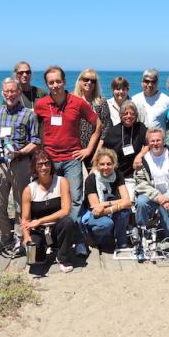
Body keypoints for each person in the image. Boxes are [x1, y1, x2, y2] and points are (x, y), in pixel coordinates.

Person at [35, 66, 100, 256]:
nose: (55, 85)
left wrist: (88, 149)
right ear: (47, 84)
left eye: (58, 81)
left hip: (72, 159)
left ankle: (78, 240)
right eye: (51, 82)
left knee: (76, 200)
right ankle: (54, 240)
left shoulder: (78, 103)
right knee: (49, 200)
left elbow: (97, 125)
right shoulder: (41, 104)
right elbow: (31, 127)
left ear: (64, 81)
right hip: (49, 161)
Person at [0, 77, 41, 252]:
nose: (10, 94)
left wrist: (21, 152)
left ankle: (20, 238)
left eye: (13, 91)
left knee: (21, 204)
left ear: (19, 92)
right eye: (6, 91)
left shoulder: (29, 114)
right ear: (3, 93)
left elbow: (35, 141)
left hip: (20, 163)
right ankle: (4, 237)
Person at [21, 150, 75, 272]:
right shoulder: (29, 190)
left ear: (51, 165)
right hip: (39, 231)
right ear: (35, 167)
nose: (44, 167)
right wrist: (26, 237)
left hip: (56, 227)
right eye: (40, 164)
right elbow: (25, 220)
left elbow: (66, 210)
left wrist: (39, 221)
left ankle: (62, 257)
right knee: (36, 261)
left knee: (68, 222)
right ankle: (43, 250)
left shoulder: (62, 181)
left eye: (47, 163)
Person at [135, 128, 169, 238]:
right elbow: (141, 183)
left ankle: (159, 220)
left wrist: (167, 197)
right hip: (152, 197)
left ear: (164, 141)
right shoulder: (143, 160)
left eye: (158, 140)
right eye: (152, 141)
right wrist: (160, 198)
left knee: (168, 234)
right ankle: (143, 230)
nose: (155, 143)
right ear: (148, 143)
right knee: (141, 202)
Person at [79, 148, 132, 249]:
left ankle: (122, 241)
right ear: (97, 165)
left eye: (109, 164)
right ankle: (95, 238)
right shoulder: (91, 179)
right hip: (95, 216)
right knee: (106, 224)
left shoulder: (118, 175)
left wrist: (106, 204)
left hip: (107, 211)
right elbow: (96, 209)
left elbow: (127, 201)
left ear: (114, 164)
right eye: (102, 164)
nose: (105, 167)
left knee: (125, 211)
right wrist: (117, 205)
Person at [99, 100, 148, 202]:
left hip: (135, 172)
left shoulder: (140, 128)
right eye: (125, 113)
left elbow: (149, 144)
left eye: (132, 113)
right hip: (117, 173)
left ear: (136, 115)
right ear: (120, 115)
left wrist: (140, 155)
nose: (129, 116)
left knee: (131, 201)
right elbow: (104, 153)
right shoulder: (113, 132)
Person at [73, 69, 112, 171]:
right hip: (75, 149)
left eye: (93, 81)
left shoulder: (100, 101)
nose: (89, 82)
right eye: (86, 79)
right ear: (80, 81)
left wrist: (97, 151)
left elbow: (106, 126)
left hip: (95, 149)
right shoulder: (72, 100)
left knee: (94, 179)